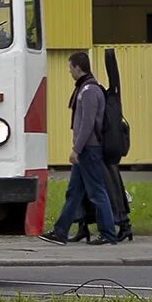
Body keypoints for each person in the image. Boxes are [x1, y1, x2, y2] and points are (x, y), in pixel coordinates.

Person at [40, 52, 118, 245]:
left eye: (70, 68)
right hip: (85, 149)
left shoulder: (89, 90)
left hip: (88, 149)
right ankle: (60, 232)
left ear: (77, 67)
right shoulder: (85, 88)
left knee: (97, 192)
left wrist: (76, 148)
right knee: (74, 192)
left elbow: (87, 124)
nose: (69, 72)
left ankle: (108, 233)